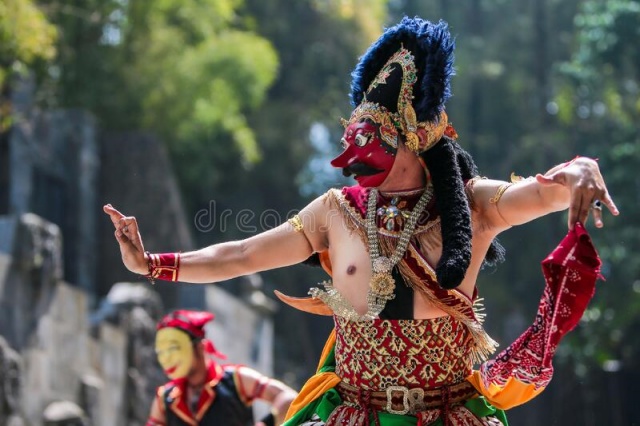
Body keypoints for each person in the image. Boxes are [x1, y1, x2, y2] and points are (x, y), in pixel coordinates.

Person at [105, 16, 619, 426]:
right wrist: (152, 263)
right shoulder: (335, 210)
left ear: (413, 137)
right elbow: (241, 255)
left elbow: (543, 194)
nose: (355, 152)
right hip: (353, 412)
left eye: (372, 136)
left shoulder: (473, 204)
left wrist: (582, 170)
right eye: (354, 136)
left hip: (446, 415)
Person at [146, 309, 297, 426]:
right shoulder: (165, 399)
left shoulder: (236, 380)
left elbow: (289, 397)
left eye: (173, 348)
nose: (166, 358)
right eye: (160, 351)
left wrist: (265, 424)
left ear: (199, 347)